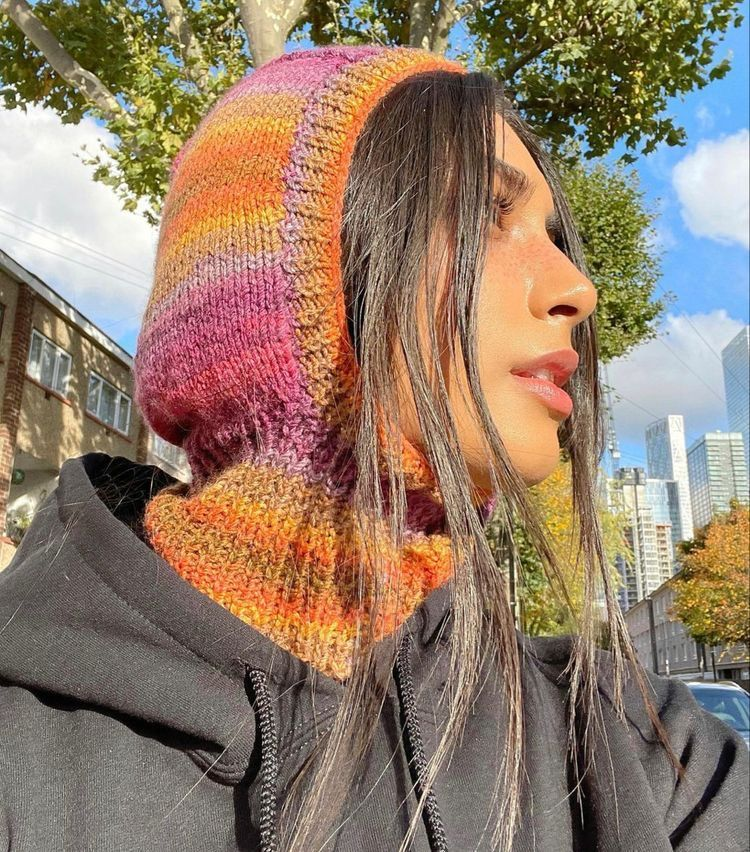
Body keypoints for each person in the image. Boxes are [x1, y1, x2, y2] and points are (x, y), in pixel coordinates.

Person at [0, 45, 747, 852]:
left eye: (555, 235)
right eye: (484, 216)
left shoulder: (647, 752)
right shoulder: (22, 736)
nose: (578, 288)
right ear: (287, 286)